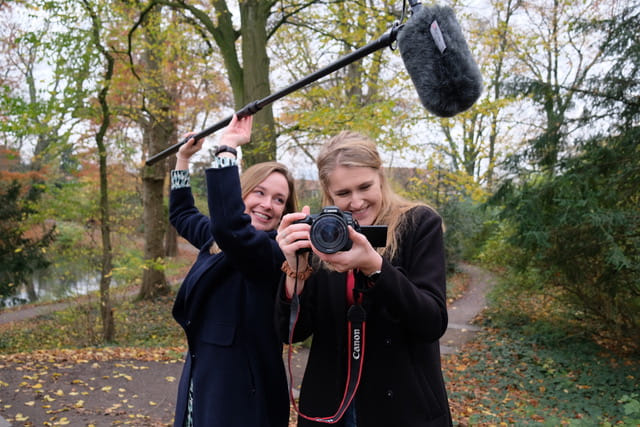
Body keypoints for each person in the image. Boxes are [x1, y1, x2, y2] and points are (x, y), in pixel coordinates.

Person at [276, 131, 452, 426]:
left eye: (365, 187)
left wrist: (374, 266)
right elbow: (291, 334)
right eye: (343, 193)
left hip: (402, 407)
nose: (356, 202)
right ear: (328, 192)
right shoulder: (323, 235)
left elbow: (431, 322)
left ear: (380, 177)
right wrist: (296, 269)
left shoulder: (417, 223)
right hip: (332, 407)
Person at [169, 114, 295, 427]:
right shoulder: (217, 240)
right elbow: (182, 214)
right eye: (259, 193)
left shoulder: (272, 252)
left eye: (279, 200)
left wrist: (227, 150)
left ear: (285, 211)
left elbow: (232, 228)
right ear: (243, 193)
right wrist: (183, 159)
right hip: (203, 381)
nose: (268, 204)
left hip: (242, 398)